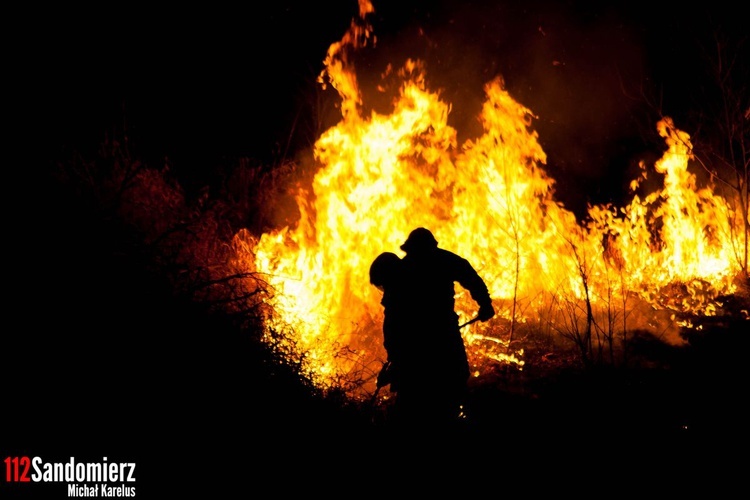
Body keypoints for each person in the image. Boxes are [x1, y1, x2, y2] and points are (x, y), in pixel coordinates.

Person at [369, 227, 495, 429]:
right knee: (454, 384)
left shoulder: (402, 274)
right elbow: (470, 277)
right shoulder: (443, 260)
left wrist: (395, 361)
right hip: (444, 338)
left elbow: (393, 327)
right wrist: (485, 304)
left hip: (421, 347)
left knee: (416, 399)